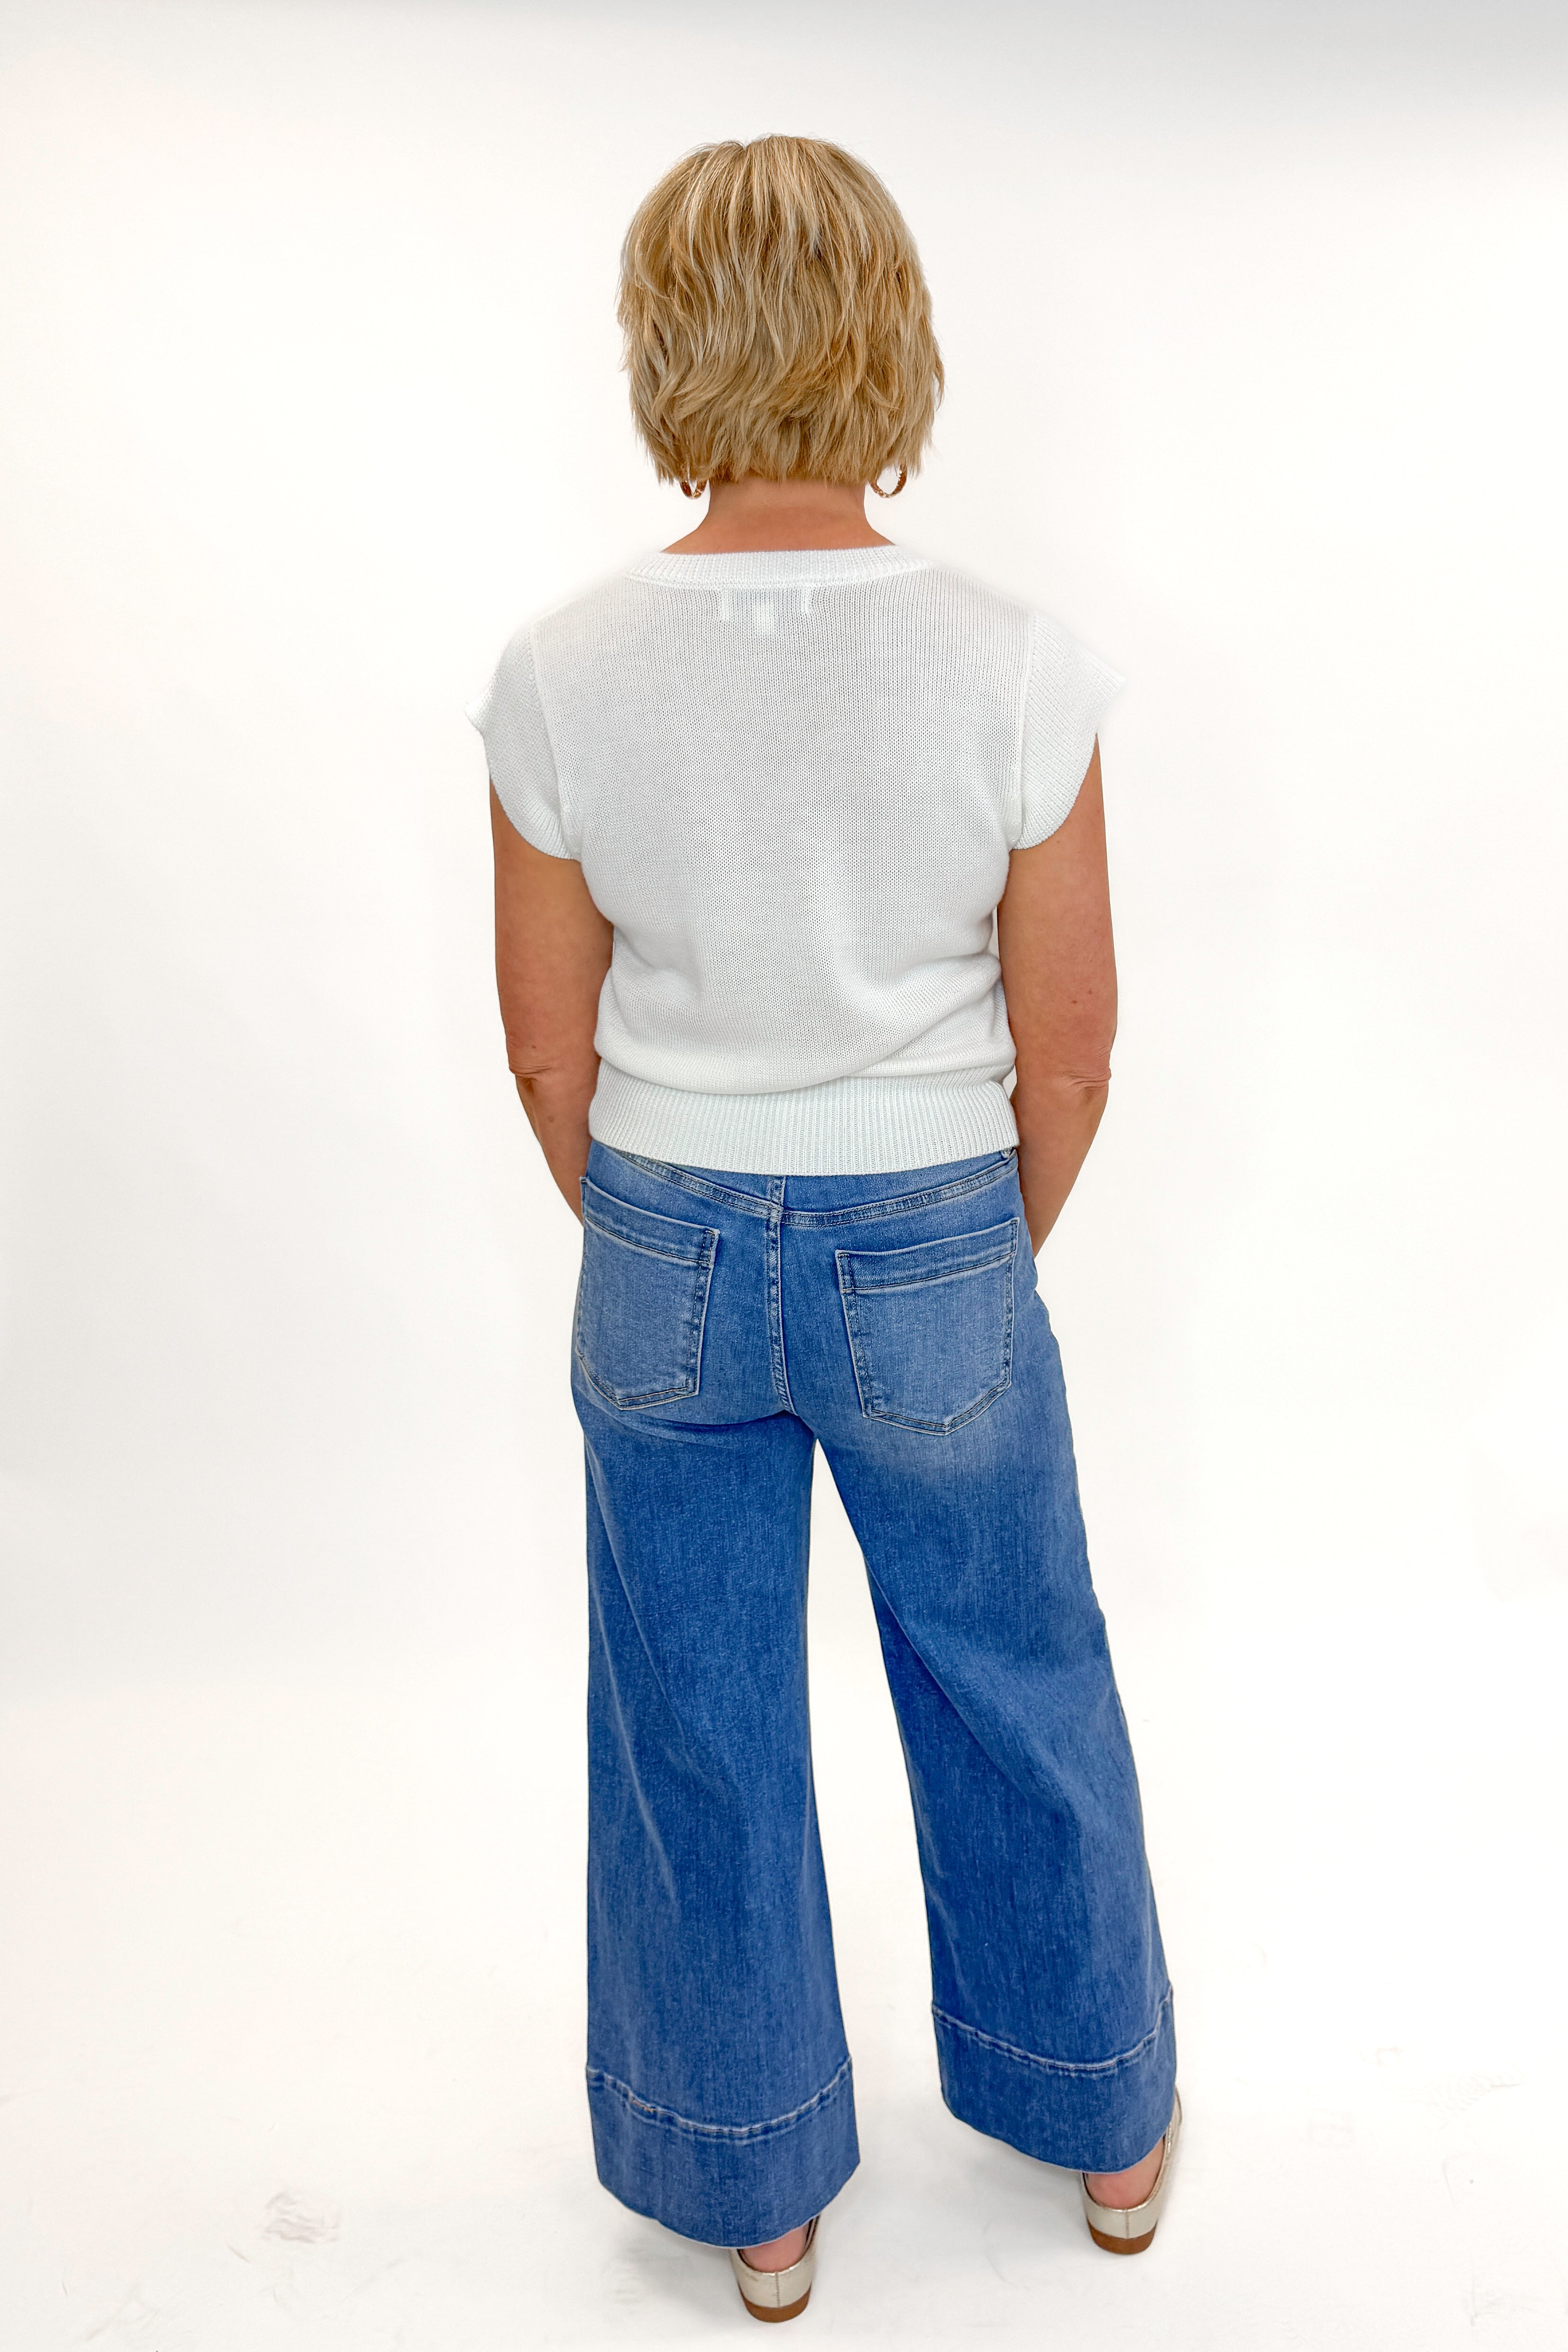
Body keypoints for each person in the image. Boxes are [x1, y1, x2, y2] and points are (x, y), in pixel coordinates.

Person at [469, 134, 1178, 2326]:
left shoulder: (563, 668)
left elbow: (545, 1050)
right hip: (939, 1233)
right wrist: (982, 1245)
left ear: (659, 347)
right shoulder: (1010, 658)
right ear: (894, 336)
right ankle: (1106, 2124)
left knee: (694, 1716)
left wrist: (664, 1225)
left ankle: (753, 2198)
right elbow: (1071, 1048)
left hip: (663, 1235)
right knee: (1012, 1670)